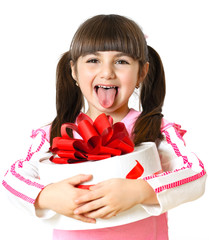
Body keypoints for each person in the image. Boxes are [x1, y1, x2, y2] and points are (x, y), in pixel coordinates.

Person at [2, 14, 206, 240]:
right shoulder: (54, 134)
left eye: (121, 61)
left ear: (142, 73)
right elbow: (12, 178)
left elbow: (195, 172)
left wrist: (140, 191)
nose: (107, 72)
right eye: (93, 60)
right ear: (73, 71)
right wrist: (45, 196)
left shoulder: (156, 130)